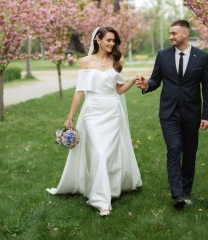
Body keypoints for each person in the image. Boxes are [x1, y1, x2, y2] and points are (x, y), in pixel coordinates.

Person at [47, 26, 142, 216]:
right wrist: (70, 116)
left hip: (113, 112)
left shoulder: (116, 60)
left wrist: (132, 81)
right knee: (99, 153)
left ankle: (110, 189)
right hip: (92, 112)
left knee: (108, 154)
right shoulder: (85, 62)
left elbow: (119, 90)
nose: (112, 44)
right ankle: (100, 200)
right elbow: (80, 91)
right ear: (98, 40)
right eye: (108, 40)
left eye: (114, 41)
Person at [136, 20, 208, 209]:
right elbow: (156, 79)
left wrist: (206, 115)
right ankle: (177, 194)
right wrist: (147, 85)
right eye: (170, 33)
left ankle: (186, 190)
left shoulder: (202, 57)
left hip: (192, 114)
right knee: (174, 149)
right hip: (168, 113)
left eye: (174, 33)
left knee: (189, 153)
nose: (170, 37)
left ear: (185, 34)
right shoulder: (163, 55)